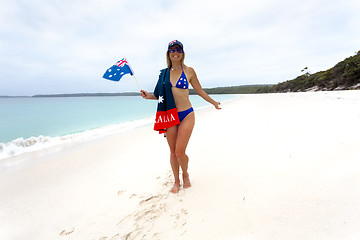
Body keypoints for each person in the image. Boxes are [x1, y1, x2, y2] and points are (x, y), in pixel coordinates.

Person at [140, 40, 221, 193]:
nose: (175, 52)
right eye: (172, 50)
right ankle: (176, 181)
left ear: (182, 53)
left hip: (186, 114)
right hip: (170, 116)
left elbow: (200, 91)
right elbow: (158, 95)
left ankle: (185, 174)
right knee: (172, 151)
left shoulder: (189, 71)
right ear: (168, 53)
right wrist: (147, 96)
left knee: (179, 151)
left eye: (178, 49)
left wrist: (214, 103)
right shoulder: (163, 73)